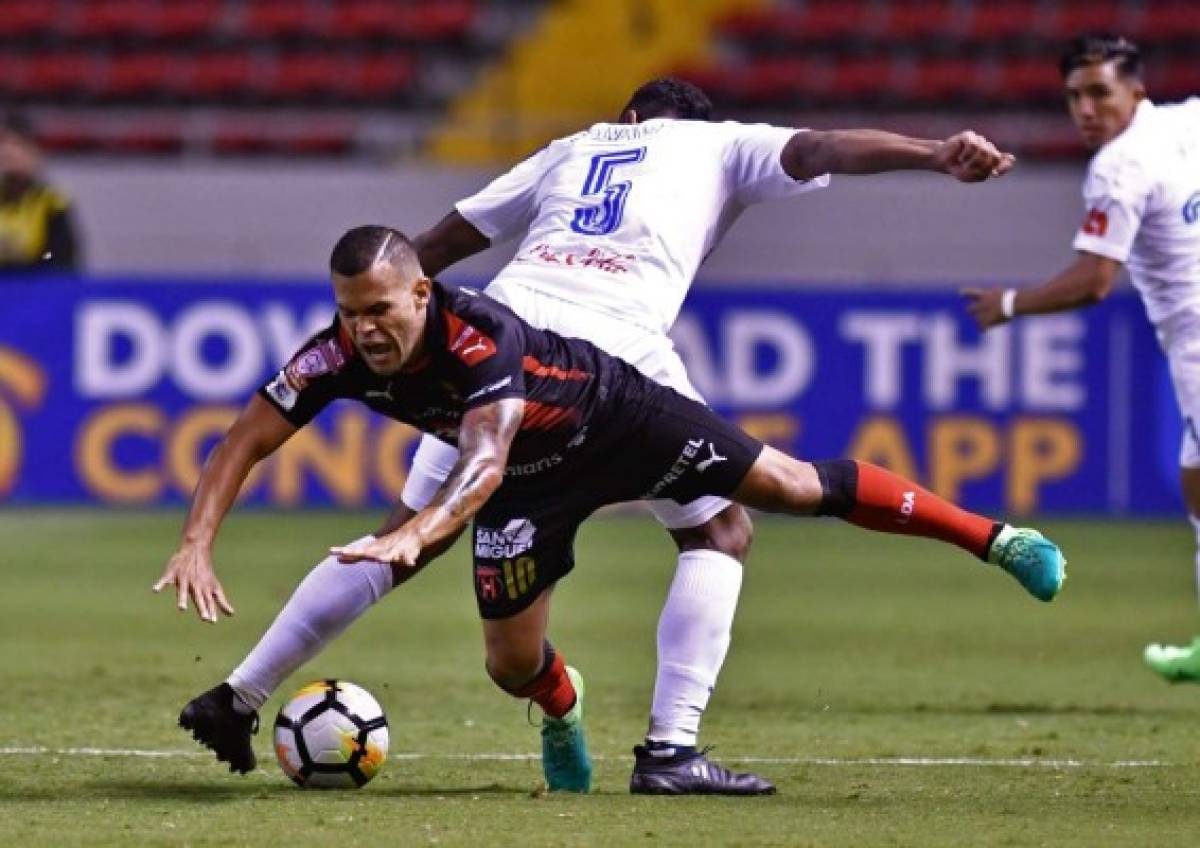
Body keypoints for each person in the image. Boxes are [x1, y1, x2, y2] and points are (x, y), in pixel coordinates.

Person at [159, 78, 1023, 795]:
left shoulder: (578, 146)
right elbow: (823, 148)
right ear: (690, 121)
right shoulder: (717, 144)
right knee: (721, 526)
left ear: (631, 117)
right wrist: (932, 152)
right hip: (604, 363)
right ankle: (672, 750)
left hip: (503, 333)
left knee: (398, 542)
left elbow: (438, 246)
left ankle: (247, 691)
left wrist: (369, 338)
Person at [963, 34, 1200, 682]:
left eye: (1099, 92)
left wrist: (1009, 304)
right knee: (1196, 482)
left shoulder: (1118, 167)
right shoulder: (1189, 119)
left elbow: (1095, 280)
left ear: (1135, 91)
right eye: (1074, 97)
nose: (1086, 109)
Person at [0, 111, 80, 273]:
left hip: (36, 291)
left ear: (34, 154)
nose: (8, 152)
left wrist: (24, 258)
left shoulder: (52, 203)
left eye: (18, 145)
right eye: (4, 145)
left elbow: (61, 258)